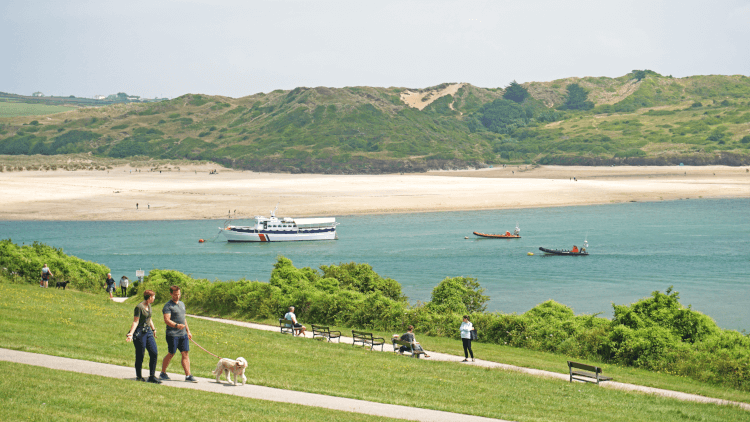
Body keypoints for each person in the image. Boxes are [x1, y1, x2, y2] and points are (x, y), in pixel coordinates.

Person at [160, 286, 196, 382]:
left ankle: (188, 375)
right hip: (172, 334)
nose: (178, 296)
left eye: (179, 294)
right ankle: (162, 373)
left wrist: (188, 331)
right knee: (171, 353)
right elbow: (166, 320)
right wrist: (176, 325)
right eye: (175, 295)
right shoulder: (168, 306)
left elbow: (184, 319)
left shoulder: (182, 304)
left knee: (185, 353)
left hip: (183, 334)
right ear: (171, 294)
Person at [125, 290, 161, 384]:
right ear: (149, 297)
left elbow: (149, 318)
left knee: (154, 352)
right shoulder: (139, 307)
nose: (154, 298)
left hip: (148, 332)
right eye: (153, 297)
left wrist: (153, 329)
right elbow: (135, 321)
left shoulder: (149, 305)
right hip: (140, 333)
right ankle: (139, 376)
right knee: (140, 355)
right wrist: (131, 334)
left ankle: (152, 376)